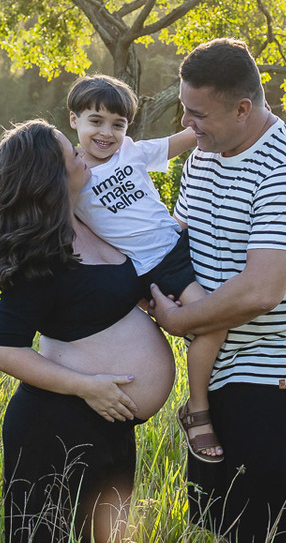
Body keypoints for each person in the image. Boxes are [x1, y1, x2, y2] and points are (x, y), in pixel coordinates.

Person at [146, 39, 286, 543]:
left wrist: (178, 318)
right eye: (185, 108)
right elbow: (179, 235)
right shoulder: (205, 155)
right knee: (230, 530)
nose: (188, 124)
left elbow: (260, 291)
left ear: (243, 108)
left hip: (275, 381)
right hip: (217, 373)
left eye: (198, 113)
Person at [0, 120, 176, 543]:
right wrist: (87, 386)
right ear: (52, 177)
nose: (83, 156)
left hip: (112, 425)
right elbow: (4, 351)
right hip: (57, 426)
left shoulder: (92, 220)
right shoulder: (38, 252)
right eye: (72, 155)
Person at [67, 74, 227, 463]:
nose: (107, 133)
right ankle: (198, 409)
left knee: (217, 317)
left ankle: (200, 403)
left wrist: (232, 109)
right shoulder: (71, 176)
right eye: (96, 121)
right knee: (213, 322)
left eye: (118, 124)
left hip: (179, 243)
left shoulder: (132, 152)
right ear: (74, 120)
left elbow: (186, 137)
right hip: (152, 267)